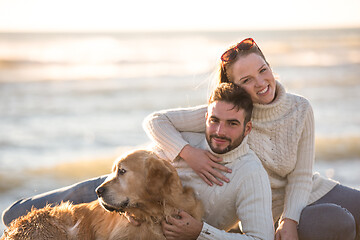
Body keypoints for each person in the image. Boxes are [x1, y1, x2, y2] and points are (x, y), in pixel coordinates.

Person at [142, 38, 360, 240]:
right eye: (247, 80)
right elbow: (156, 121)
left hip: (308, 190)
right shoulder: (230, 118)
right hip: (267, 210)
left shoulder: (300, 108)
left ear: (270, 67)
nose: (261, 82)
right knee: (339, 222)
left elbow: (301, 175)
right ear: (235, 87)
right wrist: (189, 153)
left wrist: (290, 219)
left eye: (263, 70)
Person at [152, 82, 274, 239]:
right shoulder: (184, 141)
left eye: (232, 123)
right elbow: (136, 170)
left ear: (247, 128)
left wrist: (200, 233)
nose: (220, 132)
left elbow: (262, 238)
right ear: (206, 119)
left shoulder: (251, 173)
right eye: (214, 120)